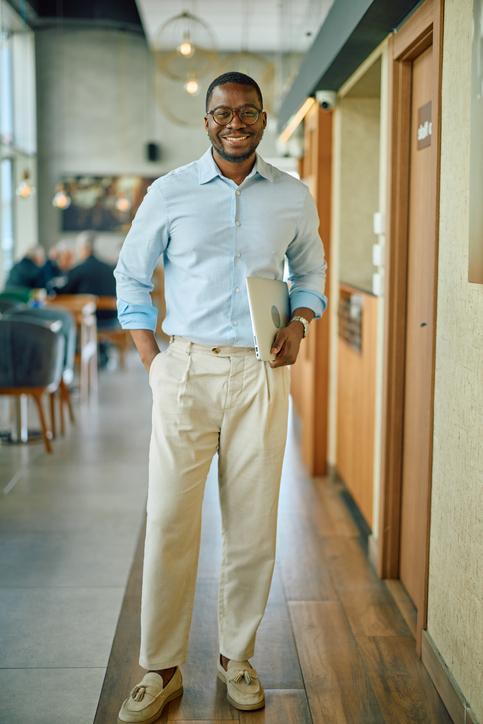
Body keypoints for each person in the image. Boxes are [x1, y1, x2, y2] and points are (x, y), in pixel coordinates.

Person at [114, 71, 327, 723]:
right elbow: (130, 276)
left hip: (261, 374)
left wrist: (298, 320)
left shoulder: (292, 195)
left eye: (248, 111)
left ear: (263, 119)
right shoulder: (170, 192)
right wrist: (154, 363)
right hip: (186, 370)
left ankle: (237, 657)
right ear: (205, 120)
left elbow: (309, 271)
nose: (235, 121)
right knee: (172, 524)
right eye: (222, 112)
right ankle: (161, 668)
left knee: (254, 526)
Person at [53, 231, 117, 326]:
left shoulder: (77, 270)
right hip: (112, 319)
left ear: (83, 248)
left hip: (87, 322)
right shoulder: (112, 270)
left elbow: (63, 293)